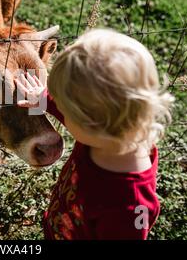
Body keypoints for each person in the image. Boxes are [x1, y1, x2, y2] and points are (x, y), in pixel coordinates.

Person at [15, 28, 174, 240]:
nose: (61, 114)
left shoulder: (128, 207)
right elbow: (79, 120)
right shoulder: (109, 134)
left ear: (92, 125)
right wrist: (43, 99)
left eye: (65, 111)